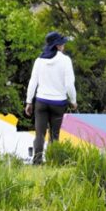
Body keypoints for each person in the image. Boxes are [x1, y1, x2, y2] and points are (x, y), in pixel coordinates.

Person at [25, 31, 77, 164]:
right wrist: (73, 101)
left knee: (40, 134)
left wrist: (29, 101)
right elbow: (69, 84)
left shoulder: (39, 60)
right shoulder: (65, 60)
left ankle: (37, 162)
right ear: (57, 46)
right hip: (58, 103)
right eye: (62, 43)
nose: (64, 45)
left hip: (41, 102)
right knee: (54, 134)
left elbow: (32, 82)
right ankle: (54, 161)